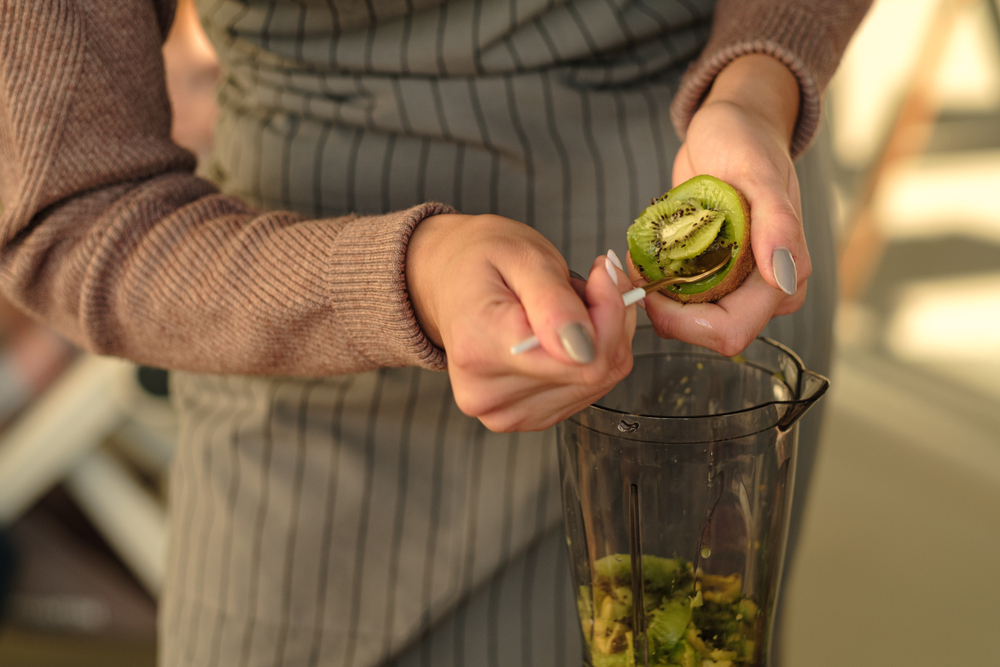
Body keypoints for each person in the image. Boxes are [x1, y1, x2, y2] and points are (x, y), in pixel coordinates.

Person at [0, 1, 872, 665]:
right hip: (307, 338)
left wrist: (760, 82)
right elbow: (67, 210)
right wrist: (407, 276)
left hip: (722, 288)